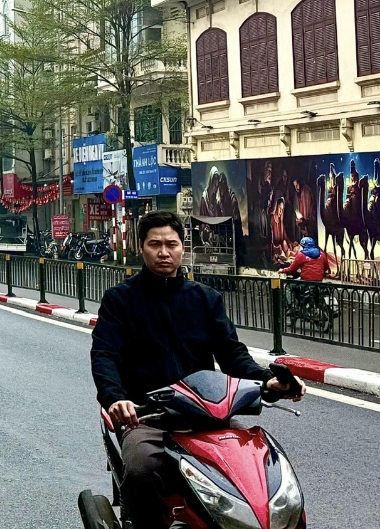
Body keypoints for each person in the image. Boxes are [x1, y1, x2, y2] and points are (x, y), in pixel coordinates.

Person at [90, 210, 304, 529]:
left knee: (262, 465)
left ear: (182, 247)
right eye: (155, 244)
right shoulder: (119, 300)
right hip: (148, 419)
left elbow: (233, 356)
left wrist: (270, 383)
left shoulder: (205, 299)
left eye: (171, 244)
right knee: (141, 469)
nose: (164, 252)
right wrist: (116, 398)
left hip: (207, 416)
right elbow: (104, 355)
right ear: (141, 247)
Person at [280, 236, 335, 310]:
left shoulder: (301, 255)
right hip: (319, 282)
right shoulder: (322, 254)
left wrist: (282, 270)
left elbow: (291, 270)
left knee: (287, 285)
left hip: (305, 283)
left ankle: (292, 307)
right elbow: (326, 268)